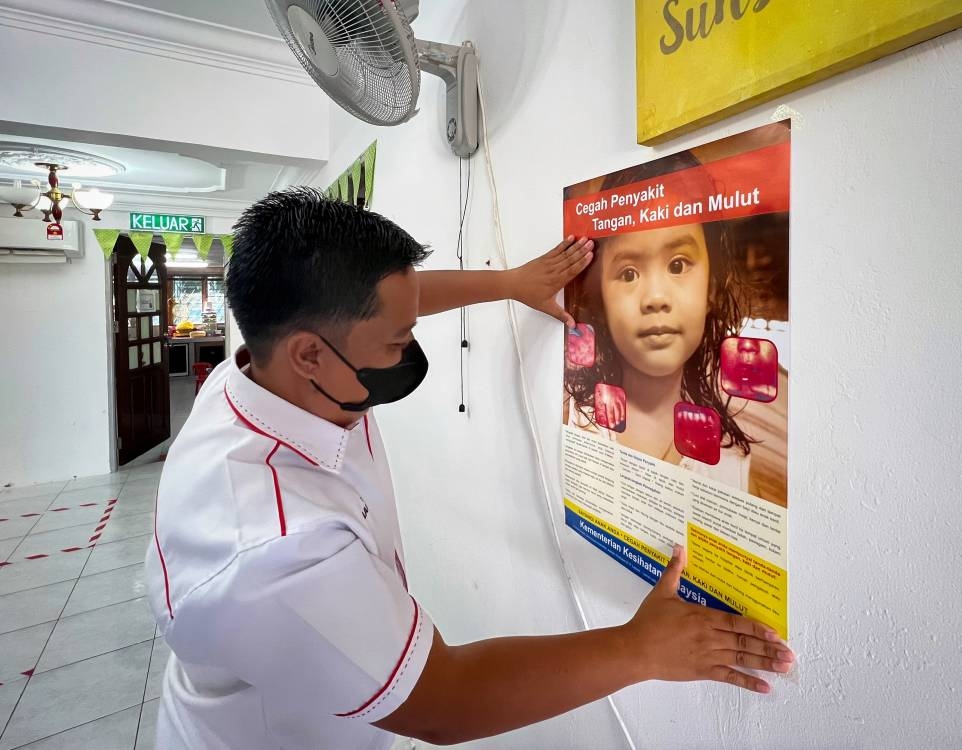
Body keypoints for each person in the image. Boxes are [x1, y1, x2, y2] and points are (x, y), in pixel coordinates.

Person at [145, 188, 795, 750]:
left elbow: (401, 300)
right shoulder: (280, 548)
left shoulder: (264, 371)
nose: (410, 345)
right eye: (398, 342)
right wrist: (640, 650)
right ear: (310, 354)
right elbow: (441, 701)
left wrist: (510, 282)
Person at [564, 152, 768, 494]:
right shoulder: (576, 419)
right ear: (600, 298)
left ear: (712, 289)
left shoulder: (730, 464)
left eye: (677, 265)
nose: (655, 296)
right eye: (628, 273)